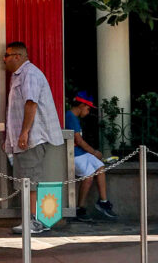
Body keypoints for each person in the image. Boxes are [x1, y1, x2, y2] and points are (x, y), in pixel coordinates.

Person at [3, 41, 64, 236]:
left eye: (7, 55)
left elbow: (31, 103)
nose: (4, 59)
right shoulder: (19, 76)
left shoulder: (29, 74)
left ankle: (33, 221)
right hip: (23, 139)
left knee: (29, 180)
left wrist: (24, 132)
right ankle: (29, 219)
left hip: (31, 139)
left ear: (18, 56)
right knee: (25, 180)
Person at [64, 91, 118, 219]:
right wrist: (94, 152)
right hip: (74, 154)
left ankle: (103, 202)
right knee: (88, 175)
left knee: (100, 166)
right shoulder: (70, 116)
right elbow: (79, 140)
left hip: (81, 153)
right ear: (82, 105)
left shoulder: (74, 117)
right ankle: (80, 208)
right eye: (88, 108)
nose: (88, 112)